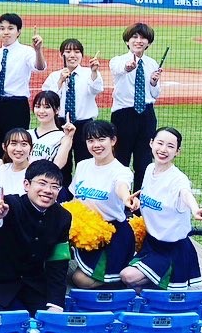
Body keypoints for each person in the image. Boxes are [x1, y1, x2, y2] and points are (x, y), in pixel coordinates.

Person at [120, 127, 202, 290]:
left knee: (127, 276)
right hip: (151, 244)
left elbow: (185, 193)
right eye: (160, 143)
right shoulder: (150, 169)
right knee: (133, 286)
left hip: (172, 249)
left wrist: (195, 209)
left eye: (170, 146)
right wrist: (137, 203)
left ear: (177, 152)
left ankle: (168, 276)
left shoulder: (178, 179)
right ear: (151, 143)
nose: (163, 150)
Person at [0, 159, 71, 315]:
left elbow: (58, 262)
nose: (48, 190)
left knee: (47, 322)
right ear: (26, 184)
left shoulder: (63, 217)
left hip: (34, 286)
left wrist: (56, 304)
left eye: (54, 186)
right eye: (42, 183)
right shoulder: (11, 204)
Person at [69, 121, 137, 288]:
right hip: (84, 231)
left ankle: (122, 279)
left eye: (101, 139)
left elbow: (121, 186)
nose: (96, 145)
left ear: (113, 140)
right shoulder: (82, 166)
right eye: (90, 140)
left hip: (111, 235)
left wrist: (126, 198)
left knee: (79, 280)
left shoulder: (121, 171)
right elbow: (74, 198)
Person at [109, 23, 162, 191]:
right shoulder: (118, 61)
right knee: (121, 159)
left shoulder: (152, 63)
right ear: (127, 41)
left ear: (148, 43)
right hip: (124, 114)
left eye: (143, 38)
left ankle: (139, 199)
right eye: (134, 37)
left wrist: (153, 82)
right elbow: (119, 69)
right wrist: (128, 67)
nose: (138, 41)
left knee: (144, 161)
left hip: (146, 114)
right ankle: (119, 197)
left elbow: (155, 94)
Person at [0, 13, 46, 155]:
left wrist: (38, 50)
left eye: (10, 28)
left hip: (16, 105)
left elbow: (39, 67)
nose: (6, 32)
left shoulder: (27, 51)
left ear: (18, 31)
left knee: (17, 147)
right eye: (2, 28)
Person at [41, 38, 103, 166]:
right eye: (68, 51)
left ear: (82, 55)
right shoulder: (54, 76)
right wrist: (60, 81)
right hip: (60, 124)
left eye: (77, 52)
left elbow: (96, 89)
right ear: (61, 55)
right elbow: (48, 101)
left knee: (85, 162)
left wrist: (94, 72)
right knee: (61, 163)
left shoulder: (89, 73)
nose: (72, 55)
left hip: (84, 124)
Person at [28, 91, 76, 170]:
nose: (41, 111)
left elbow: (58, 165)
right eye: (37, 106)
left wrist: (69, 137)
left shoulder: (62, 137)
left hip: (47, 176)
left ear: (57, 110)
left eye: (47, 107)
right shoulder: (27, 134)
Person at [0, 128, 33, 196]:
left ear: (31, 148)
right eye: (13, 144)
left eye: (24, 144)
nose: (18, 149)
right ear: (4, 147)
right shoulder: (2, 169)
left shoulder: (36, 173)